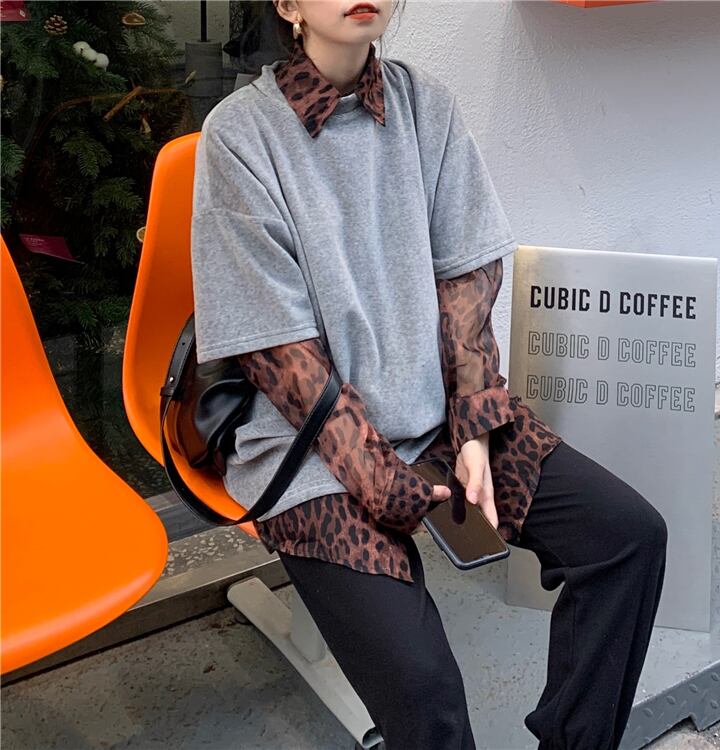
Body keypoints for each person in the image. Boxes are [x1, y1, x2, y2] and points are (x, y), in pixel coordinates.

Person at [189, 2, 669, 748]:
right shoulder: (240, 134)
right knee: (424, 690)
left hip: (439, 412)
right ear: (286, 5)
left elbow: (467, 276)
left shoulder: (425, 106)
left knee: (627, 539)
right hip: (311, 447)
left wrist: (474, 425)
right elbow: (278, 352)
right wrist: (380, 479)